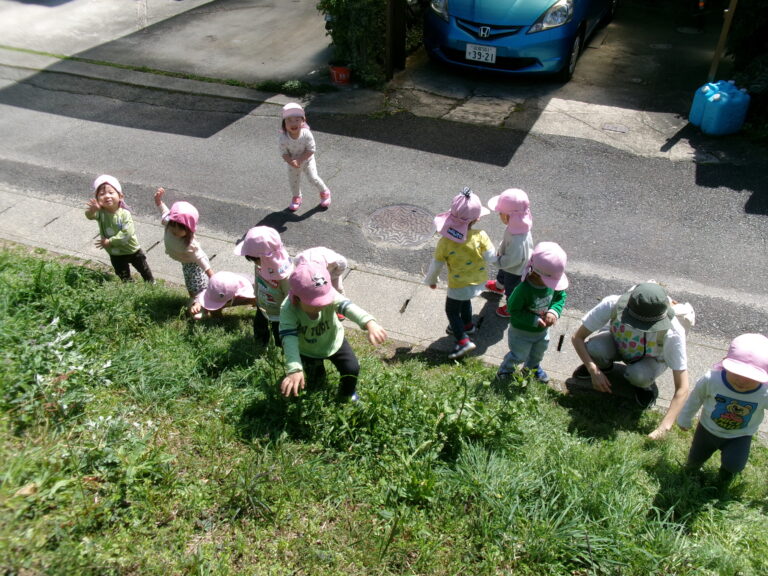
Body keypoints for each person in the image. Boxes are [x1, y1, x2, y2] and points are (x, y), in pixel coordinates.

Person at [568, 282, 690, 440]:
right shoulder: (612, 304)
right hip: (617, 342)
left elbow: (683, 387)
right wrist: (593, 369)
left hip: (650, 359)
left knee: (638, 375)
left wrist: (664, 427)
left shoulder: (673, 332)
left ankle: (643, 387)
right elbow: (577, 337)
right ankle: (603, 368)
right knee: (595, 348)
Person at [279, 259, 387, 401]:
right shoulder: (288, 309)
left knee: (351, 368)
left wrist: (369, 322)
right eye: (316, 303)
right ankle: (317, 392)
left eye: (325, 300)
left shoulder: (328, 293)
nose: (322, 305)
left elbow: (347, 306)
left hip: (334, 340)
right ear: (297, 298)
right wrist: (294, 368)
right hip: (307, 350)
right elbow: (289, 337)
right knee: (316, 378)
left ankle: (347, 394)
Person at [677, 333, 768, 486]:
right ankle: (690, 474)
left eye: (751, 377)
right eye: (737, 373)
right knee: (696, 456)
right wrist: (684, 418)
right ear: (725, 362)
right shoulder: (712, 380)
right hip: (707, 429)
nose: (742, 381)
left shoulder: (764, 393)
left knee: (735, 464)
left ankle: (723, 480)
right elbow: (696, 398)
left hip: (740, 435)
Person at [425, 187, 495, 360]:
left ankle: (463, 340)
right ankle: (468, 325)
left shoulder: (445, 242)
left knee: (451, 311)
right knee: (465, 301)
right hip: (478, 281)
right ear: (477, 218)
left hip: (458, 284)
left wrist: (431, 280)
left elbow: (436, 265)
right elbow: (491, 257)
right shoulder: (481, 235)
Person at [496, 242, 568, 383]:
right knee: (519, 355)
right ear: (536, 274)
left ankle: (531, 368)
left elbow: (560, 296)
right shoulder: (523, 290)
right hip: (521, 332)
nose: (554, 285)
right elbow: (513, 310)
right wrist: (533, 320)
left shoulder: (551, 284)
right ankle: (506, 370)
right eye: (552, 281)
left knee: (538, 353)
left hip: (542, 332)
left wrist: (554, 311)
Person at [154, 188, 213, 319]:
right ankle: (196, 300)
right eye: (173, 225)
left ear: (189, 229)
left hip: (194, 265)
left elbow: (201, 258)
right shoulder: (168, 223)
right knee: (190, 285)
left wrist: (211, 274)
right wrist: (159, 202)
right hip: (185, 262)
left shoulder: (190, 245)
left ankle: (202, 308)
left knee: (199, 286)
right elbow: (164, 211)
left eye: (180, 228)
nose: (175, 230)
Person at [85, 174, 154, 283]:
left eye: (111, 192)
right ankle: (128, 285)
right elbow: (89, 216)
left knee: (142, 267)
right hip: (115, 252)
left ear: (120, 196)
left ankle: (151, 282)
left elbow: (127, 233)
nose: (107, 196)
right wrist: (92, 210)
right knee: (121, 271)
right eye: (102, 194)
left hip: (131, 249)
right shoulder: (101, 213)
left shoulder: (124, 214)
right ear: (97, 199)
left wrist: (110, 241)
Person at [483, 188, 534, 319]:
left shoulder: (518, 239)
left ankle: (512, 307)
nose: (499, 215)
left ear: (509, 216)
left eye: (500, 213)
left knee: (512, 289)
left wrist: (496, 260)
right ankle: (499, 286)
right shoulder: (518, 226)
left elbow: (512, 260)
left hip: (515, 269)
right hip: (508, 262)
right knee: (502, 274)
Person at [279, 102, 331, 212]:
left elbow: (311, 149)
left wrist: (300, 159)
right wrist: (291, 161)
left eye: (297, 120)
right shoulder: (283, 137)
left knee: (313, 178)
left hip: (307, 160)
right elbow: (283, 153)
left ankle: (325, 192)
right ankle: (296, 197)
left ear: (303, 121)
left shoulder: (306, 133)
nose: (293, 123)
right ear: (284, 123)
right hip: (293, 163)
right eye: (289, 120)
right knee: (294, 182)